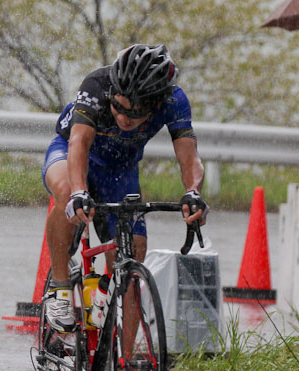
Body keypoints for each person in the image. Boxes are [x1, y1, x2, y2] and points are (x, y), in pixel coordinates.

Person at [41, 44, 208, 332]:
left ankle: (122, 367)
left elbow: (189, 156)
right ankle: (61, 288)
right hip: (75, 156)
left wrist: (193, 193)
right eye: (118, 106)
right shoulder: (97, 85)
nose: (124, 116)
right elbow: (78, 143)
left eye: (135, 111)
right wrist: (80, 192)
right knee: (68, 191)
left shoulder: (174, 100)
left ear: (156, 102)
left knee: (133, 255)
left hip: (120, 169)